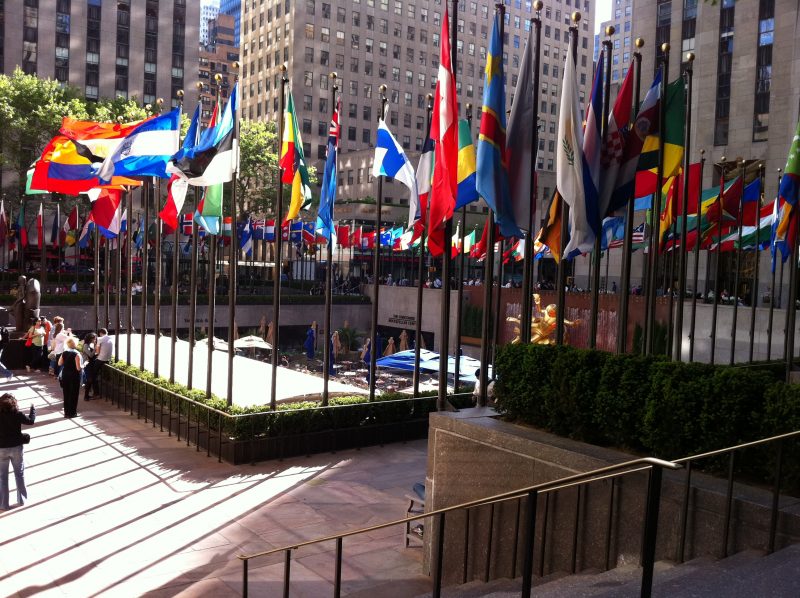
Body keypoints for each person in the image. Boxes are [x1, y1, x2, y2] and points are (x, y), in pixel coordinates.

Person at [0, 393, 36, 510]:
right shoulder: (17, 414)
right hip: (16, 447)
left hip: (1, 449)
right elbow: (30, 421)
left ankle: (3, 504)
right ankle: (21, 500)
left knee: (2, 477)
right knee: (19, 474)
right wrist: (32, 409)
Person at [58, 337, 83, 418]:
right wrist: (84, 365)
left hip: (65, 374)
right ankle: (72, 413)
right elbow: (78, 368)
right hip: (74, 376)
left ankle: (66, 412)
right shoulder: (77, 354)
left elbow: (59, 363)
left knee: (66, 393)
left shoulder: (64, 353)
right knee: (74, 394)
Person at [90, 328, 113, 400]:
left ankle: (96, 393)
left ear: (100, 333)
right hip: (108, 359)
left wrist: (95, 347)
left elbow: (97, 351)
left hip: (101, 359)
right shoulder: (111, 338)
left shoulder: (100, 339)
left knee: (93, 376)